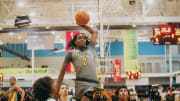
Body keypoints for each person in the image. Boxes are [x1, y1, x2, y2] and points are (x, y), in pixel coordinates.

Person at [55, 24, 99, 101]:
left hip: (92, 83)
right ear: (75, 42)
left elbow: (94, 32)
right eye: (79, 38)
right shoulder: (71, 53)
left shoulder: (90, 48)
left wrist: (83, 24)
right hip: (79, 83)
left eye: (84, 38)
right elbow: (62, 72)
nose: (82, 39)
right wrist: (57, 88)